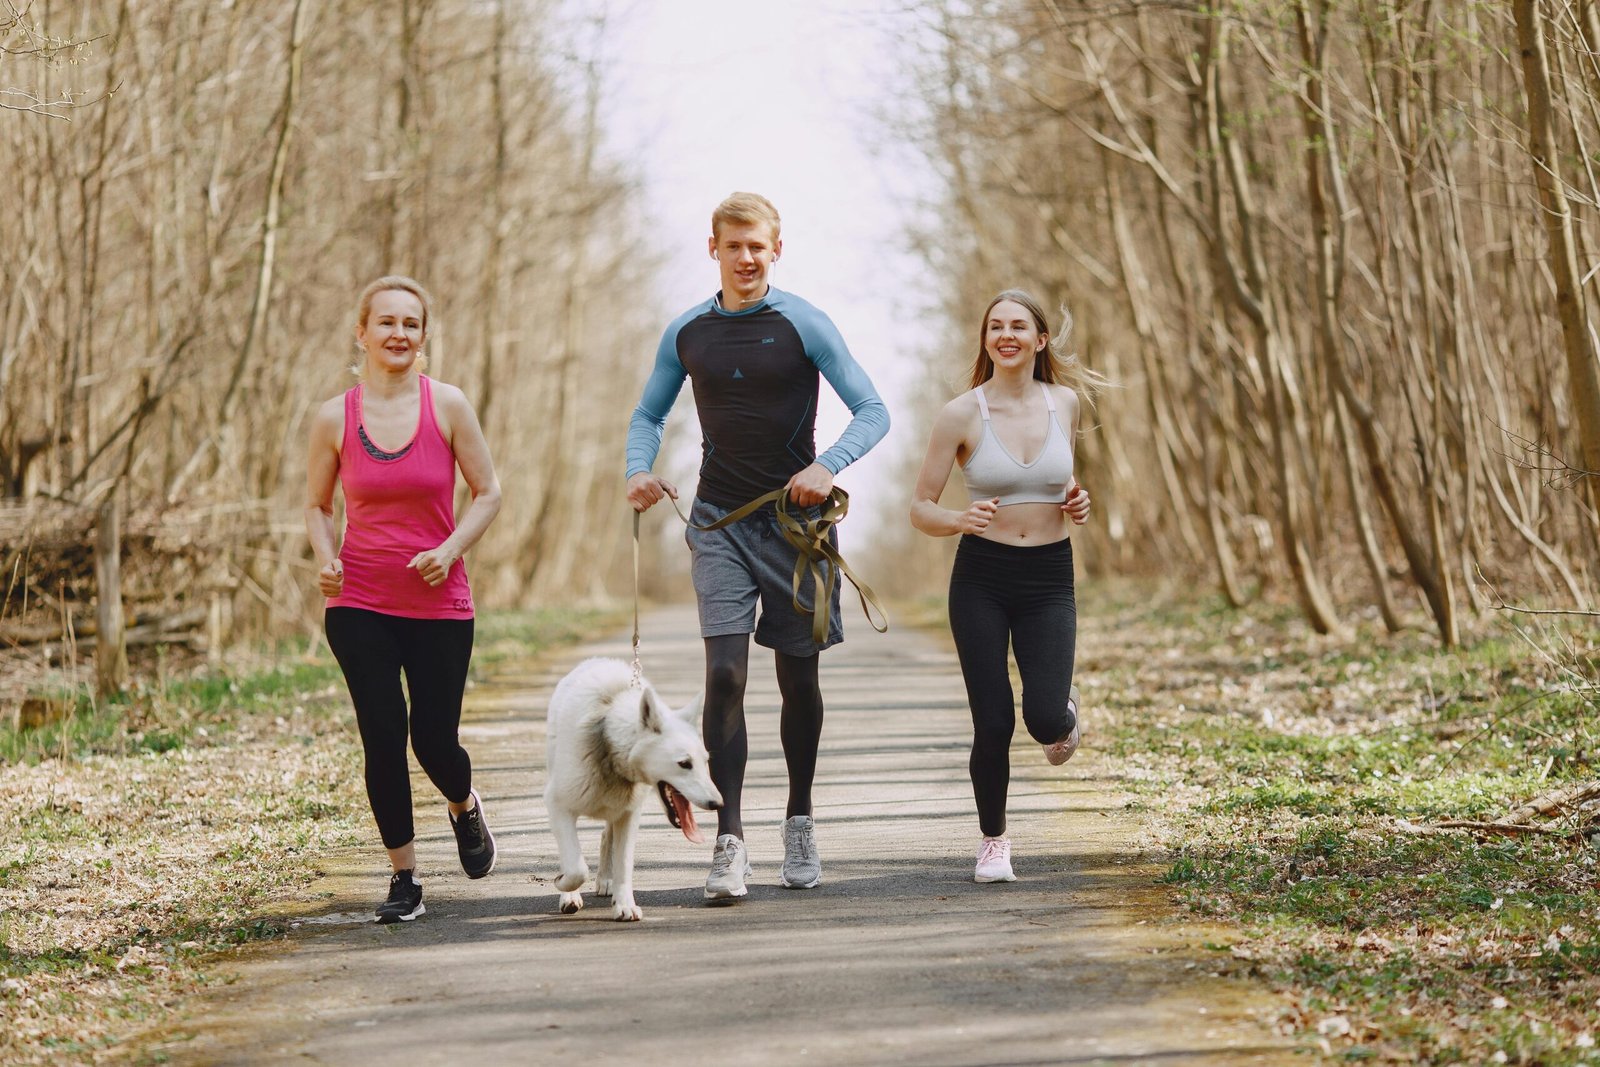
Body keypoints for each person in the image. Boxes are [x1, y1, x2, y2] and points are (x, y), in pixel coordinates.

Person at [625, 192, 889, 900]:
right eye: (733, 245)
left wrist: (826, 464)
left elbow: (874, 409)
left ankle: (799, 818)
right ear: (713, 248)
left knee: (799, 680)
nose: (746, 257)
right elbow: (648, 413)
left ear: (777, 250)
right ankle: (730, 840)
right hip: (718, 524)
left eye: (758, 246)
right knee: (726, 677)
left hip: (797, 531)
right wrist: (638, 469)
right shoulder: (687, 332)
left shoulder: (803, 323)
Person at [304, 275, 504, 923]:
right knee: (383, 736)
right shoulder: (335, 416)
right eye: (384, 322)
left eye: (410, 324)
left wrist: (450, 549)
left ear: (423, 337)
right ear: (360, 332)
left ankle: (464, 803)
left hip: (438, 600)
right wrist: (325, 555)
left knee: (434, 741)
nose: (398, 333)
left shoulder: (447, 405)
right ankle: (404, 878)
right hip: (359, 599)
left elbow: (489, 492)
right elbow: (314, 504)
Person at [909, 289, 1098, 884]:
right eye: (996, 326)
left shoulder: (1064, 403)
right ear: (986, 339)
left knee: (1042, 719)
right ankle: (994, 841)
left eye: (1019, 326)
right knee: (992, 721)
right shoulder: (961, 413)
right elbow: (919, 507)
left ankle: (1063, 715)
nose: (1006, 335)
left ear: (1040, 340)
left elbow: (1066, 484)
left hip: (1048, 577)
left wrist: (1078, 500)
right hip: (982, 578)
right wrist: (959, 520)